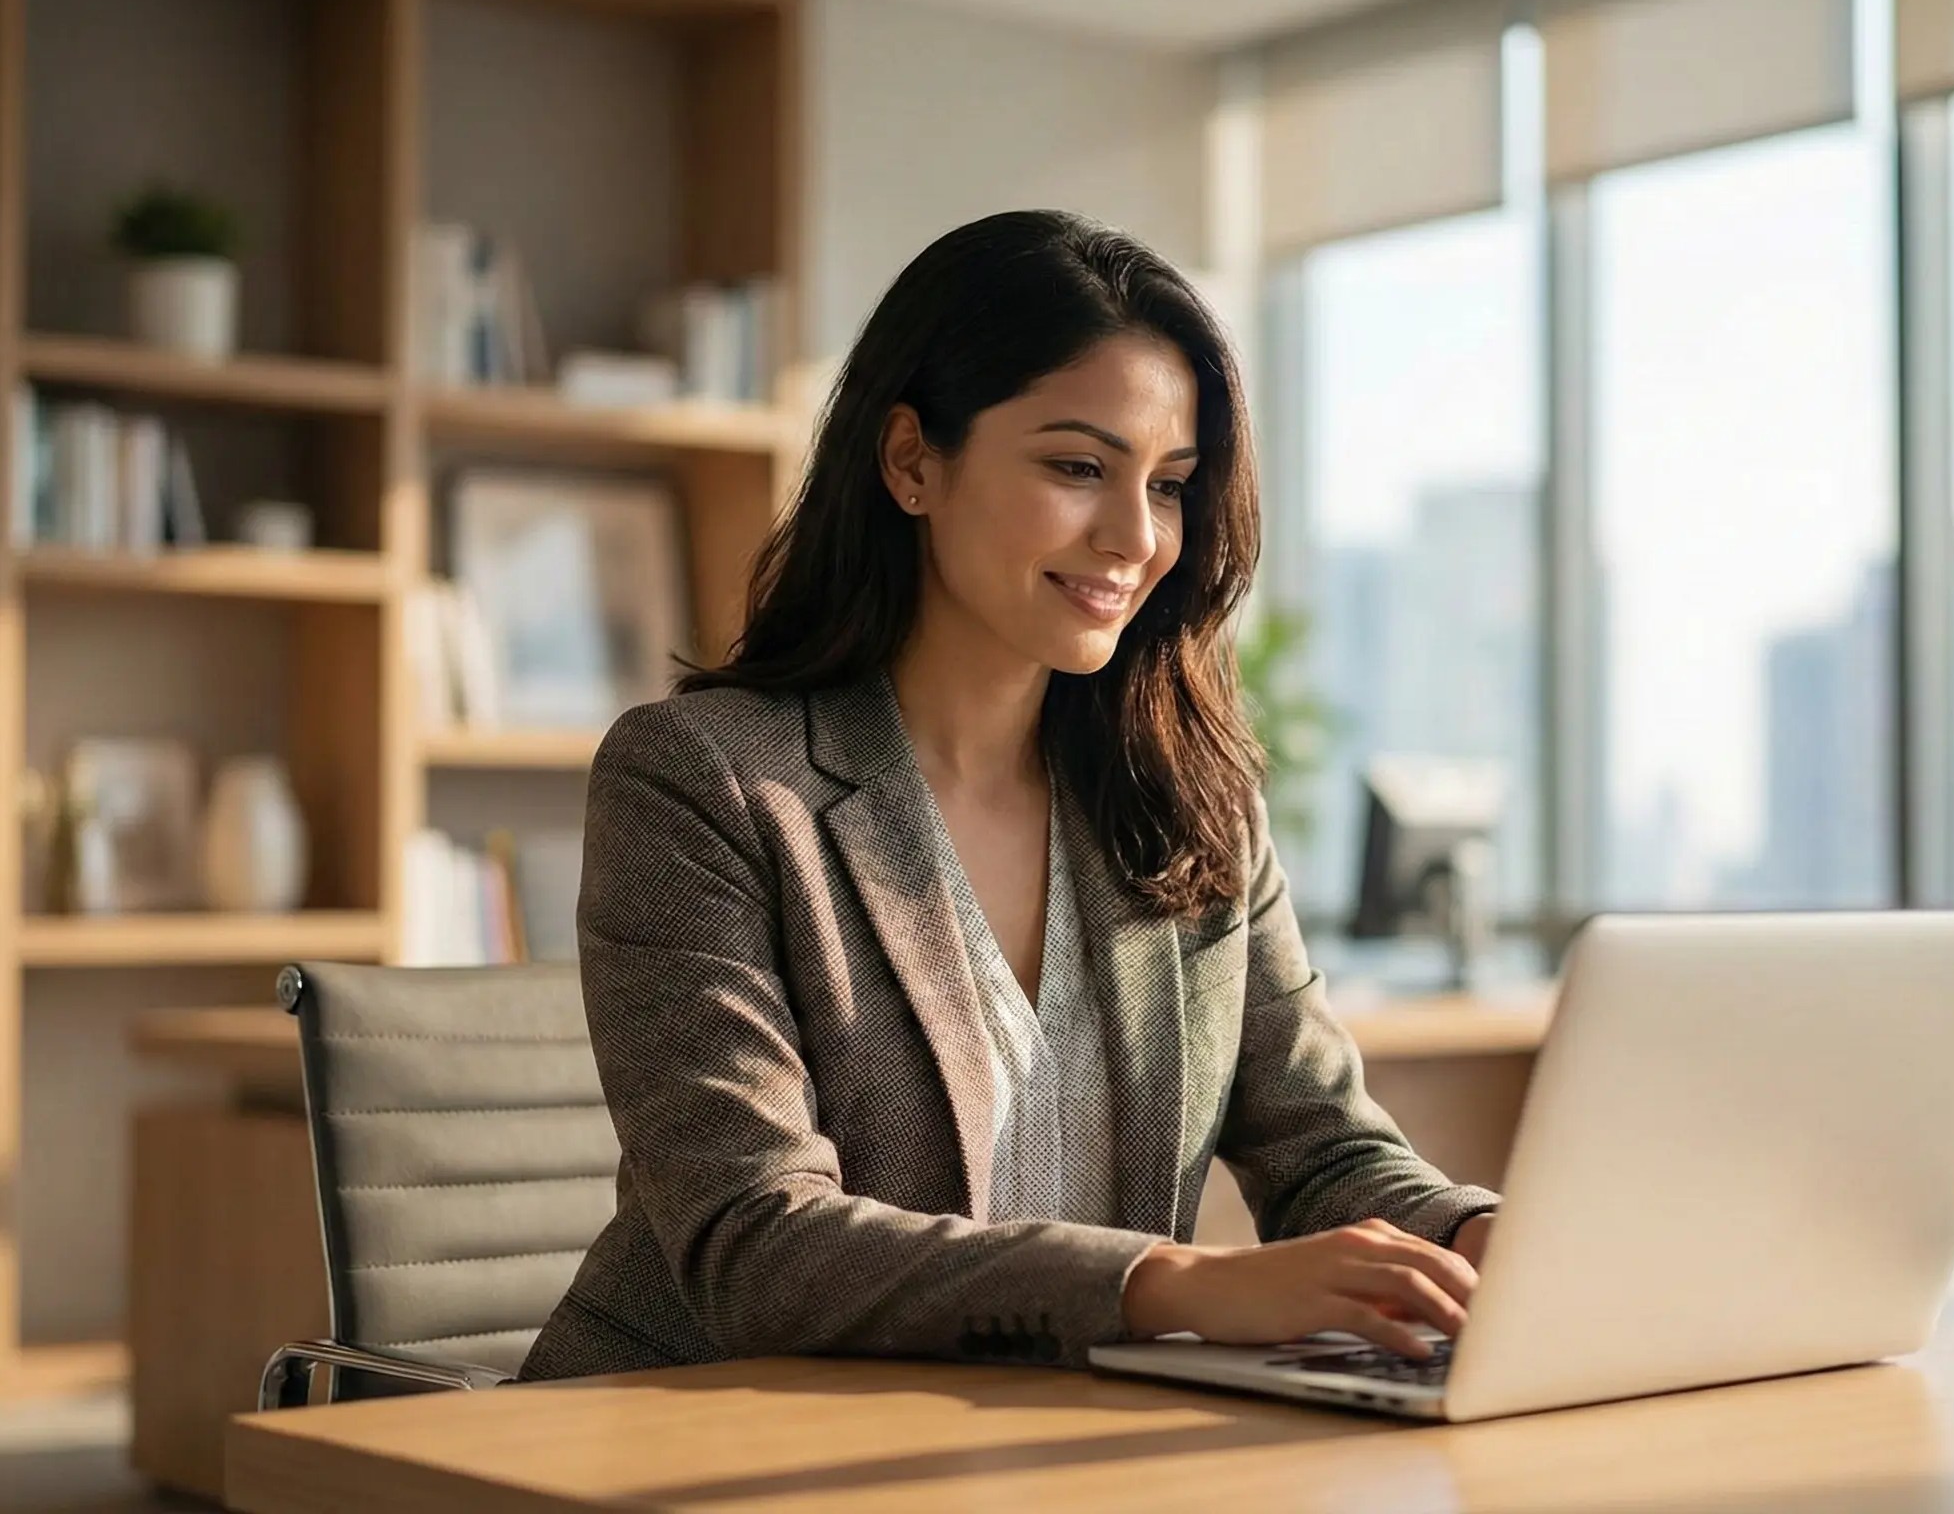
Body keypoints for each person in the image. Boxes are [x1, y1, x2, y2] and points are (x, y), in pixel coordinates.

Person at [517, 210, 1499, 1384]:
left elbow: (1323, 1148)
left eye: (1172, 485)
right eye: (1077, 467)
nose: (1136, 537)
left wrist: (1479, 1241)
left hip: (1040, 1450)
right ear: (911, 461)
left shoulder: (1191, 801)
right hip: (688, 1441)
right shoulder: (706, 782)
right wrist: (1166, 1286)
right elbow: (754, 1245)